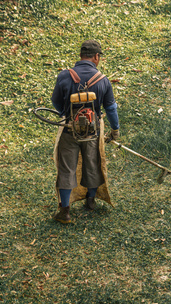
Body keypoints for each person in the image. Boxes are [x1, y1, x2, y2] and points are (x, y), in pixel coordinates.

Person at [51, 40, 120, 223]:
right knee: (92, 163)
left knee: (67, 169)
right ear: (96, 57)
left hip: (68, 130)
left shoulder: (65, 76)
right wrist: (115, 131)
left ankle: (64, 211)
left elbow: (56, 101)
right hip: (92, 132)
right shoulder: (103, 80)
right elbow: (111, 109)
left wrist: (65, 115)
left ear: (81, 55)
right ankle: (90, 201)